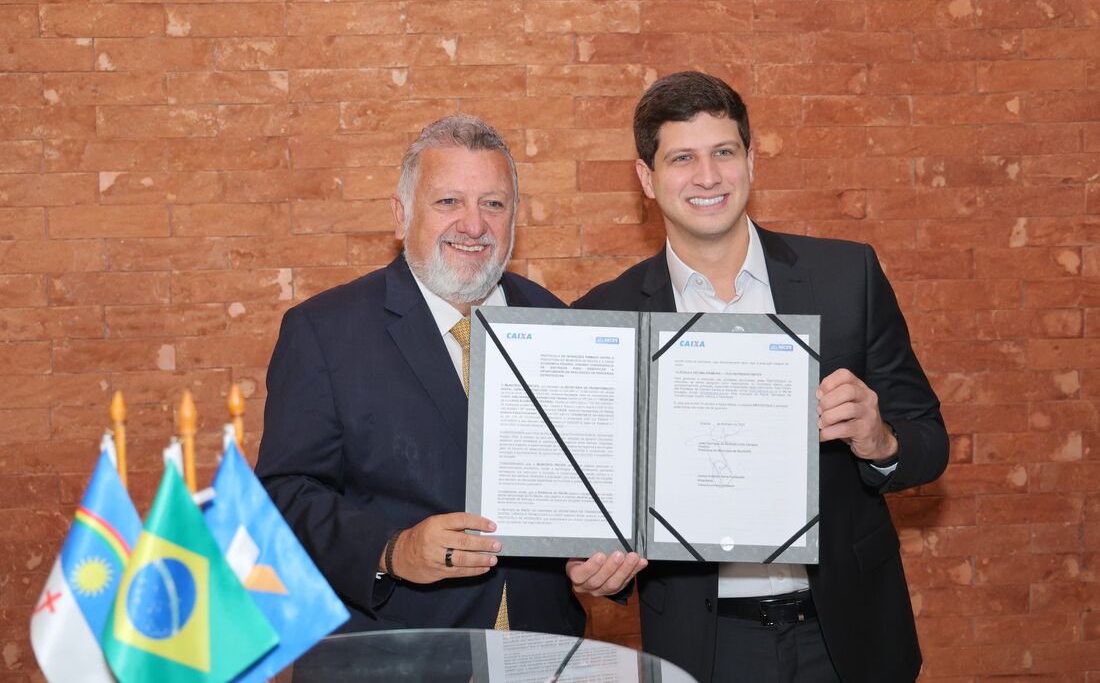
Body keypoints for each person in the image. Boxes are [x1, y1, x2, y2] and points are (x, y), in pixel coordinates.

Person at [573, 72, 949, 683]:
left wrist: (881, 441)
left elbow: (930, 442)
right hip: (706, 644)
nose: (708, 177)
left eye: (724, 152)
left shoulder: (846, 277)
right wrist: (596, 569)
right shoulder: (604, 317)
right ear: (646, 178)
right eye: (682, 158)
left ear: (751, 161)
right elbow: (593, 498)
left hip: (847, 635)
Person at [256, 114, 641, 633]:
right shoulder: (325, 331)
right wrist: (392, 551)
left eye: (493, 204)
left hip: (543, 645)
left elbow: (588, 487)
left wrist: (594, 562)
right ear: (401, 215)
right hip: (396, 650)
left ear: (515, 216)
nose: (474, 225)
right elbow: (283, 495)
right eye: (448, 202)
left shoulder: (559, 323)